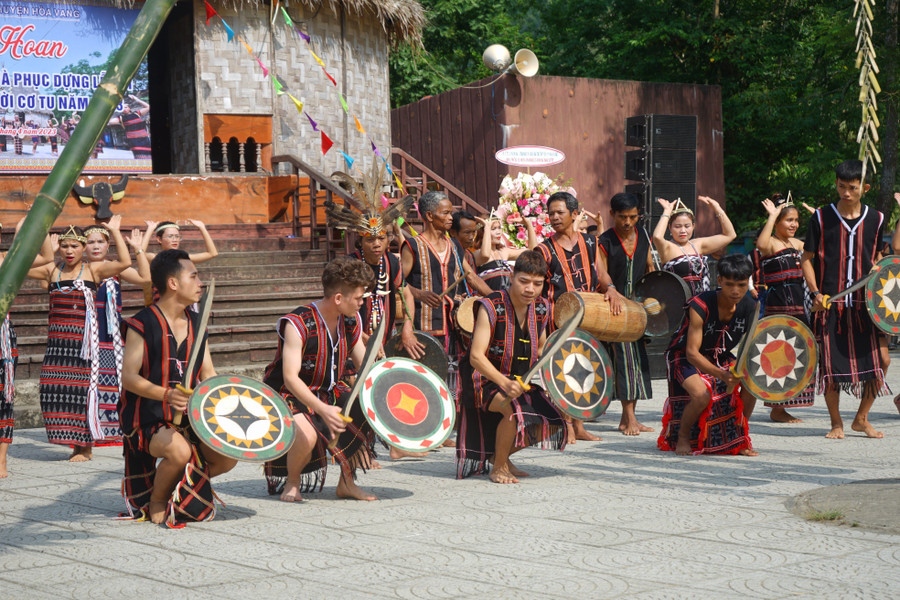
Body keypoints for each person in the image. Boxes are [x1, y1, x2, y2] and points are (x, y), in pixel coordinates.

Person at [120, 249, 236, 524]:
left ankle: (174, 487)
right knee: (179, 452)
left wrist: (228, 404)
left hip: (189, 415)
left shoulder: (198, 323)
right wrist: (166, 394)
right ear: (173, 283)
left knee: (227, 458)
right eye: (194, 276)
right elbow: (128, 377)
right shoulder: (142, 322)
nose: (200, 283)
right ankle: (156, 500)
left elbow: (208, 373)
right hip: (146, 415)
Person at [263, 257, 380, 502]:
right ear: (339, 298)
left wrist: (384, 386)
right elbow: (290, 378)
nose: (361, 303)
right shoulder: (297, 323)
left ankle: (347, 482)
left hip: (329, 389)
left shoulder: (351, 320)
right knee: (308, 433)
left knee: (366, 406)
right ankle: (292, 483)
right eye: (358, 298)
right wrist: (323, 410)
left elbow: (363, 367)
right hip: (288, 392)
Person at [27, 218, 132, 460]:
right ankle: (68, 438)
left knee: (82, 392)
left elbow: (125, 262)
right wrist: (47, 251)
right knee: (51, 389)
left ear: (83, 247)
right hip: (57, 342)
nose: (70, 251)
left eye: (75, 246)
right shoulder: (50, 270)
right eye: (65, 246)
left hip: (84, 343)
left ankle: (83, 447)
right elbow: (17, 267)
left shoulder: (93, 270)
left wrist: (115, 231)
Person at [458, 251, 567, 483]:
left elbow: (541, 351)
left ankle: (501, 455)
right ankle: (498, 468)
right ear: (512, 276)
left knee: (555, 419)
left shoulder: (542, 308)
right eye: (524, 281)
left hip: (518, 380)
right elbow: (476, 357)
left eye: (538, 284)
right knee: (513, 410)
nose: (530, 289)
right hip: (482, 380)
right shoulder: (491, 305)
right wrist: (504, 382)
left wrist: (560, 378)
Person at [802, 159, 889, 439]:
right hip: (831, 303)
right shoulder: (820, 216)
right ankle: (836, 422)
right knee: (830, 367)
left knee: (883, 361)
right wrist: (815, 292)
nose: (846, 193)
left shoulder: (876, 219)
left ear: (865, 187)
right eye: (841, 187)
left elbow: (879, 256)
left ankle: (861, 418)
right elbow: (807, 258)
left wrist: (878, 264)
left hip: (867, 307)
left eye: (852, 188)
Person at [536, 191, 622, 443]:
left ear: (574, 214)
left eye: (559, 212)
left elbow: (601, 273)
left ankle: (580, 426)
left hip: (588, 318)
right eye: (550, 213)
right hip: (557, 320)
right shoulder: (543, 249)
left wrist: (612, 289)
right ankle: (566, 425)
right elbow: (538, 288)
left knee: (584, 369)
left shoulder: (591, 242)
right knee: (562, 371)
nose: (553, 217)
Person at [658, 254, 758, 456]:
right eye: (729, 284)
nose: (736, 291)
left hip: (720, 355)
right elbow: (692, 353)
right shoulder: (699, 305)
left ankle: (738, 438)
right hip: (684, 355)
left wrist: (741, 369)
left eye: (741, 284)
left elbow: (750, 347)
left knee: (752, 386)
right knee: (701, 394)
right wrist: (722, 375)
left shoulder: (750, 306)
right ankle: (683, 437)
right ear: (719, 280)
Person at [401, 191, 492, 402]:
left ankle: (450, 428)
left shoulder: (453, 244)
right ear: (430, 216)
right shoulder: (412, 246)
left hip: (454, 325)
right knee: (426, 380)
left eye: (451, 213)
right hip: (424, 326)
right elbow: (398, 282)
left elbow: (469, 276)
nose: (451, 217)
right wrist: (418, 293)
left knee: (452, 382)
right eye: (446, 212)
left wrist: (497, 297)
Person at [83, 223, 152, 444]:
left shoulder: (115, 267)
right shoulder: (79, 269)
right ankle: (89, 430)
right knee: (87, 381)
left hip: (111, 335)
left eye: (100, 241)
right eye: (90, 242)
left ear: (108, 244)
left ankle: (115, 428)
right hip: (86, 335)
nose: (95, 246)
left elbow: (145, 279)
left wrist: (138, 249)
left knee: (114, 380)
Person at [598, 192, 655, 435]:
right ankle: (630, 418)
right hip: (616, 307)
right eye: (622, 217)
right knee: (624, 360)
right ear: (612, 214)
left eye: (633, 217)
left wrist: (655, 296)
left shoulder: (643, 234)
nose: (628, 222)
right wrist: (611, 290)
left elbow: (650, 266)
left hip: (639, 307)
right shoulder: (604, 240)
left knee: (637, 360)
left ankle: (627, 418)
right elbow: (601, 273)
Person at [0, 219, 53, 477]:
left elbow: (47, 256)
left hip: (1, 338)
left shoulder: (7, 260)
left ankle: (1, 461)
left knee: (4, 398)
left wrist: (36, 224)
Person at [755, 195, 815, 423]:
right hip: (778, 307)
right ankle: (777, 408)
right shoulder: (770, 242)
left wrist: (818, 219)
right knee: (778, 355)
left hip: (799, 306)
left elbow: (820, 248)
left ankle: (785, 405)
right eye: (789, 220)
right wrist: (771, 216)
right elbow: (760, 245)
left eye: (796, 220)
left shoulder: (798, 245)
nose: (794, 224)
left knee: (798, 354)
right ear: (777, 222)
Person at [652, 196, 737, 297]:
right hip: (676, 302)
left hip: (700, 302)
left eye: (687, 226)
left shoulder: (698, 245)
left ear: (693, 226)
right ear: (670, 227)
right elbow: (657, 237)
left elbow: (730, 235)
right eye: (677, 226)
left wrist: (717, 208)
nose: (683, 230)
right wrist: (666, 211)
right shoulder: (668, 247)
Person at [142, 220, 218, 304]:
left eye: (177, 236)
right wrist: (150, 229)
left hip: (182, 303)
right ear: (159, 239)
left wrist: (202, 228)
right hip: (162, 303)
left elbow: (212, 253)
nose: (175, 240)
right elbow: (139, 251)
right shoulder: (155, 258)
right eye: (170, 236)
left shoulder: (183, 259)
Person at [473, 212, 536, 291]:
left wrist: (528, 224)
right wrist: (487, 227)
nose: (499, 232)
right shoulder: (477, 254)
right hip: (489, 301)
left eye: (499, 228)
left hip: (508, 300)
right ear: (482, 233)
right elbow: (485, 255)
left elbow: (532, 252)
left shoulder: (504, 251)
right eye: (493, 229)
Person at [108, 94, 151, 159]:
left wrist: (136, 99)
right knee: (140, 157)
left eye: (126, 107)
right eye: (122, 107)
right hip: (134, 141)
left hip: (144, 139)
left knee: (149, 157)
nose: (124, 109)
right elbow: (110, 121)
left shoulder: (137, 113)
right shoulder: (121, 118)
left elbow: (148, 107)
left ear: (129, 108)